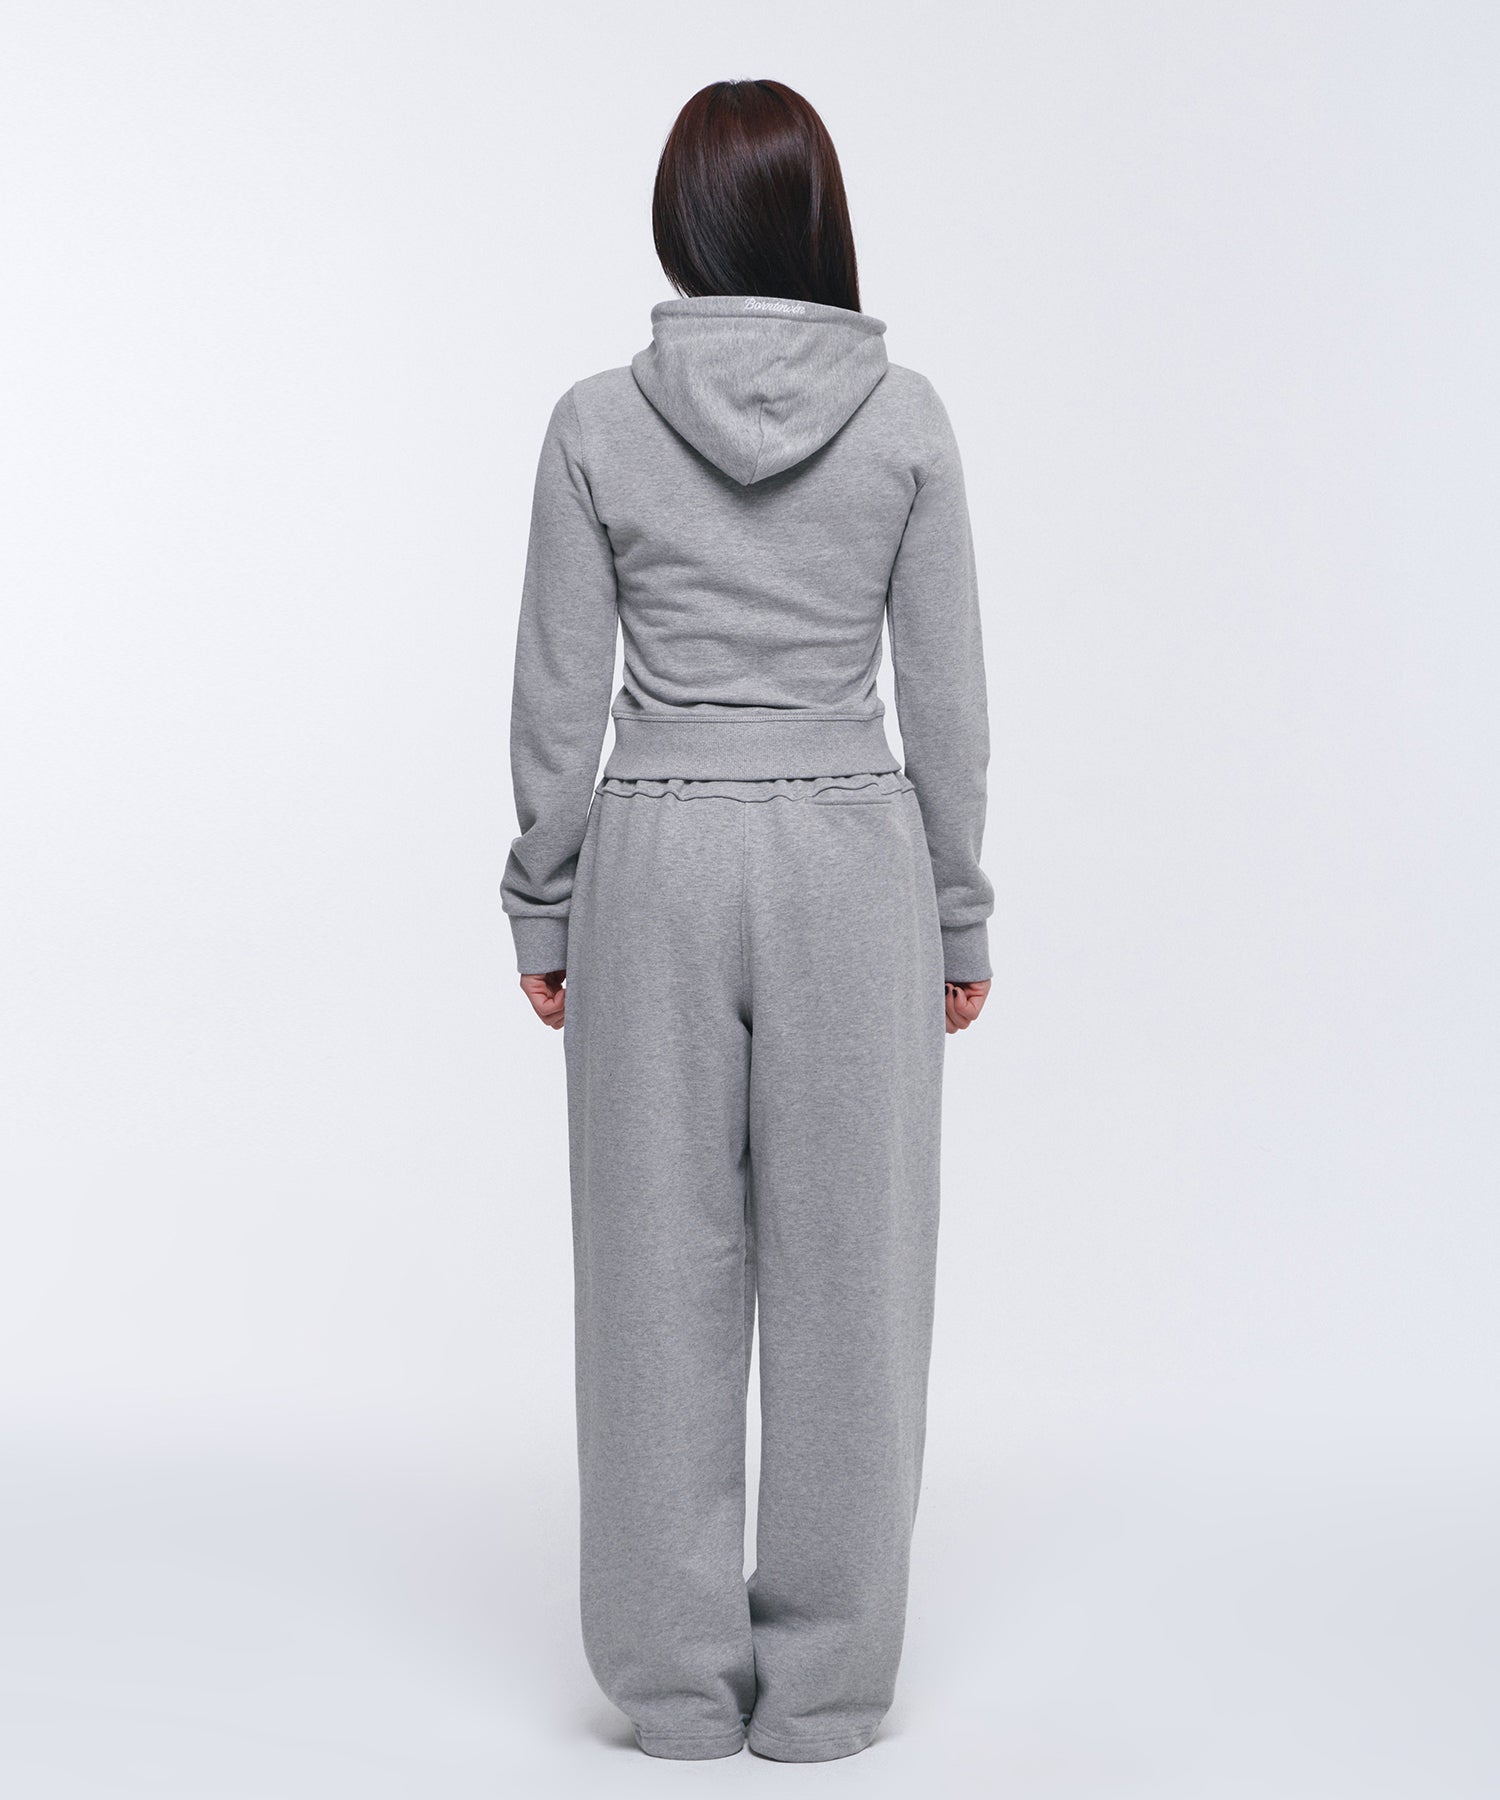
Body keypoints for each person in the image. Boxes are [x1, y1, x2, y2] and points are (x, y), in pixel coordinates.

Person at [501, 78, 994, 1764]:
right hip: (853, 857)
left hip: (654, 858)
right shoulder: (908, 419)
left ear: (681, 222)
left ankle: (674, 1690)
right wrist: (957, 914)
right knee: (859, 1285)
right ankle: (831, 1694)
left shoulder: (595, 422)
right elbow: (949, 705)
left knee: (653, 1282)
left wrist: (546, 904)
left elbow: (558, 698)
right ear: (818, 217)